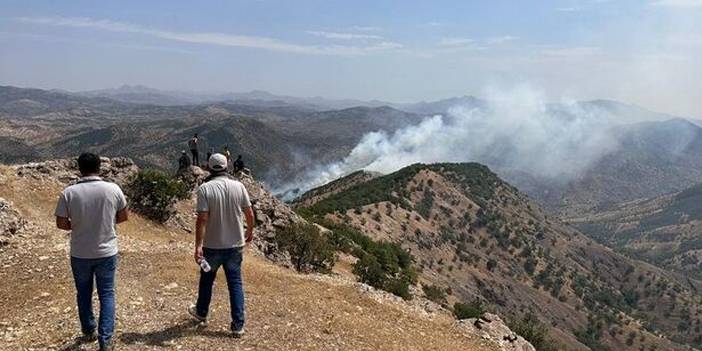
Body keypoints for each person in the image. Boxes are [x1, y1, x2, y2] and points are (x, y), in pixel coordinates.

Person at [55, 153, 128, 351]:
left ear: (80, 169)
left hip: (80, 252)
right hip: (106, 251)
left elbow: (61, 223)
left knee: (84, 293)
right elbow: (122, 216)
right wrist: (105, 223)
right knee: (107, 294)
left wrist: (78, 224)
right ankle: (105, 339)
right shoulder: (113, 189)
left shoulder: (69, 192)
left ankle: (88, 329)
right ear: (99, 167)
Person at [189, 153, 254, 337]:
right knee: (235, 283)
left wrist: (198, 246)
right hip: (235, 245)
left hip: (212, 246)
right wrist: (249, 232)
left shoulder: (204, 189)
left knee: (207, 280)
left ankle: (201, 312)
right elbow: (249, 213)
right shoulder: (239, 186)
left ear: (209, 168)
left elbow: (202, 220)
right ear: (227, 166)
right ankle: (238, 325)